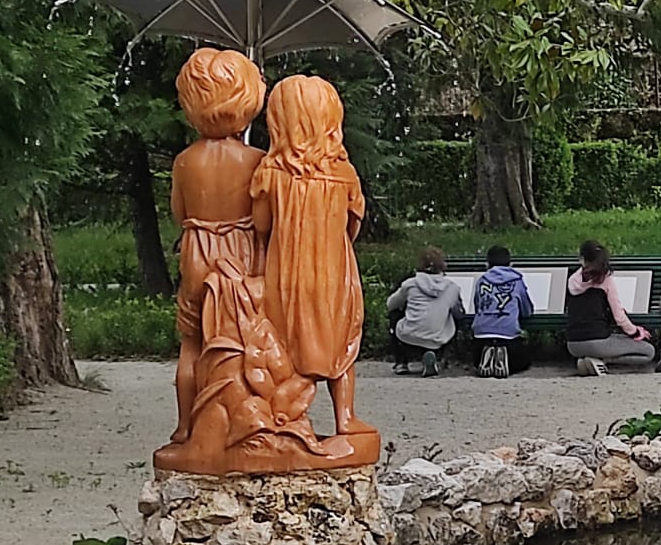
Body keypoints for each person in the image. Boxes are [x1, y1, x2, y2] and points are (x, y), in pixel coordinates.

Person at [250, 74, 374, 437]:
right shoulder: (345, 173)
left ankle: (286, 415)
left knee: (286, 342)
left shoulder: (270, 172)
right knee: (343, 347)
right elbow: (353, 227)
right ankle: (345, 417)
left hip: (287, 272)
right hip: (336, 274)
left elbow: (261, 226)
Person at [167, 48, 268, 444]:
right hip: (241, 254)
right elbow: (263, 220)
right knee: (244, 341)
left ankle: (185, 425)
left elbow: (179, 212)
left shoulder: (184, 161)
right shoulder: (257, 159)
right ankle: (241, 416)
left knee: (192, 343)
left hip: (197, 252)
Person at [565, 239, 655, 376]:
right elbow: (619, 318)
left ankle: (590, 360)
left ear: (581, 259)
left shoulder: (572, 281)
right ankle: (602, 361)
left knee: (613, 341)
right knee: (648, 352)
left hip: (573, 345)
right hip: (597, 341)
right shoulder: (605, 281)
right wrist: (636, 332)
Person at [387, 246, 466, 376]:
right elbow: (459, 313)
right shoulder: (452, 288)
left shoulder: (410, 284)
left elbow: (391, 304)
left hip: (408, 338)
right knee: (452, 315)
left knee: (394, 313)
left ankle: (401, 362)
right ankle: (439, 358)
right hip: (438, 340)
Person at [473, 246, 535, 378]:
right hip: (508, 336)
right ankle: (502, 358)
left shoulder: (482, 281)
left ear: (487, 264)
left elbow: (477, 306)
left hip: (481, 336)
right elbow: (527, 310)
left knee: (475, 361)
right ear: (510, 264)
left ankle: (486, 357)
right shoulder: (516, 281)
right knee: (524, 362)